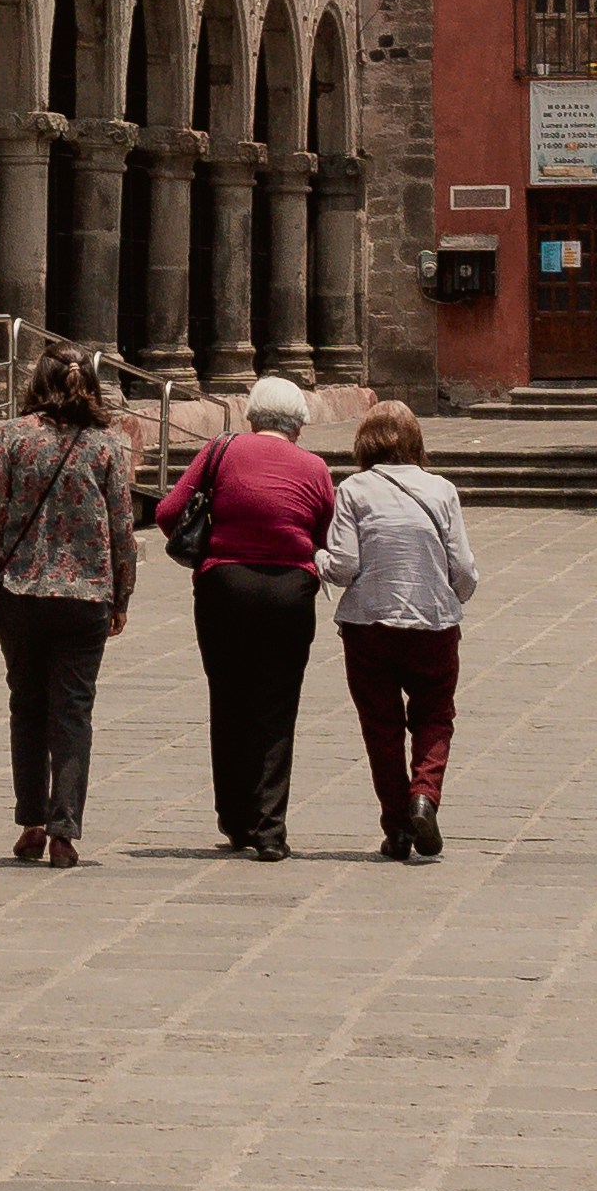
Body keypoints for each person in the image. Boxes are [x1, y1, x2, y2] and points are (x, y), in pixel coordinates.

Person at [0, 338, 133, 867]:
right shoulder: (107, 443)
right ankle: (66, 830)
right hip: (86, 597)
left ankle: (32, 823)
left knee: (27, 708)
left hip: (21, 594)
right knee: (74, 712)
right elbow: (121, 527)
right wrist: (122, 593)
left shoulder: (14, 438)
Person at [158, 368, 335, 861]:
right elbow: (327, 534)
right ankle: (270, 829)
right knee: (277, 708)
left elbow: (168, 512)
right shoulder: (314, 467)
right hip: (288, 593)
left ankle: (235, 819)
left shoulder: (220, 450)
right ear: (298, 424)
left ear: (252, 416)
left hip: (224, 588)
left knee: (229, 699)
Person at [321, 399, 478, 859]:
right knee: (434, 715)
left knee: (381, 726)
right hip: (433, 624)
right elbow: (464, 569)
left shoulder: (352, 490)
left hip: (369, 624)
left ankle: (398, 829)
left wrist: (317, 560)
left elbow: (345, 566)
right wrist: (453, 598)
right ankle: (424, 797)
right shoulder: (442, 490)